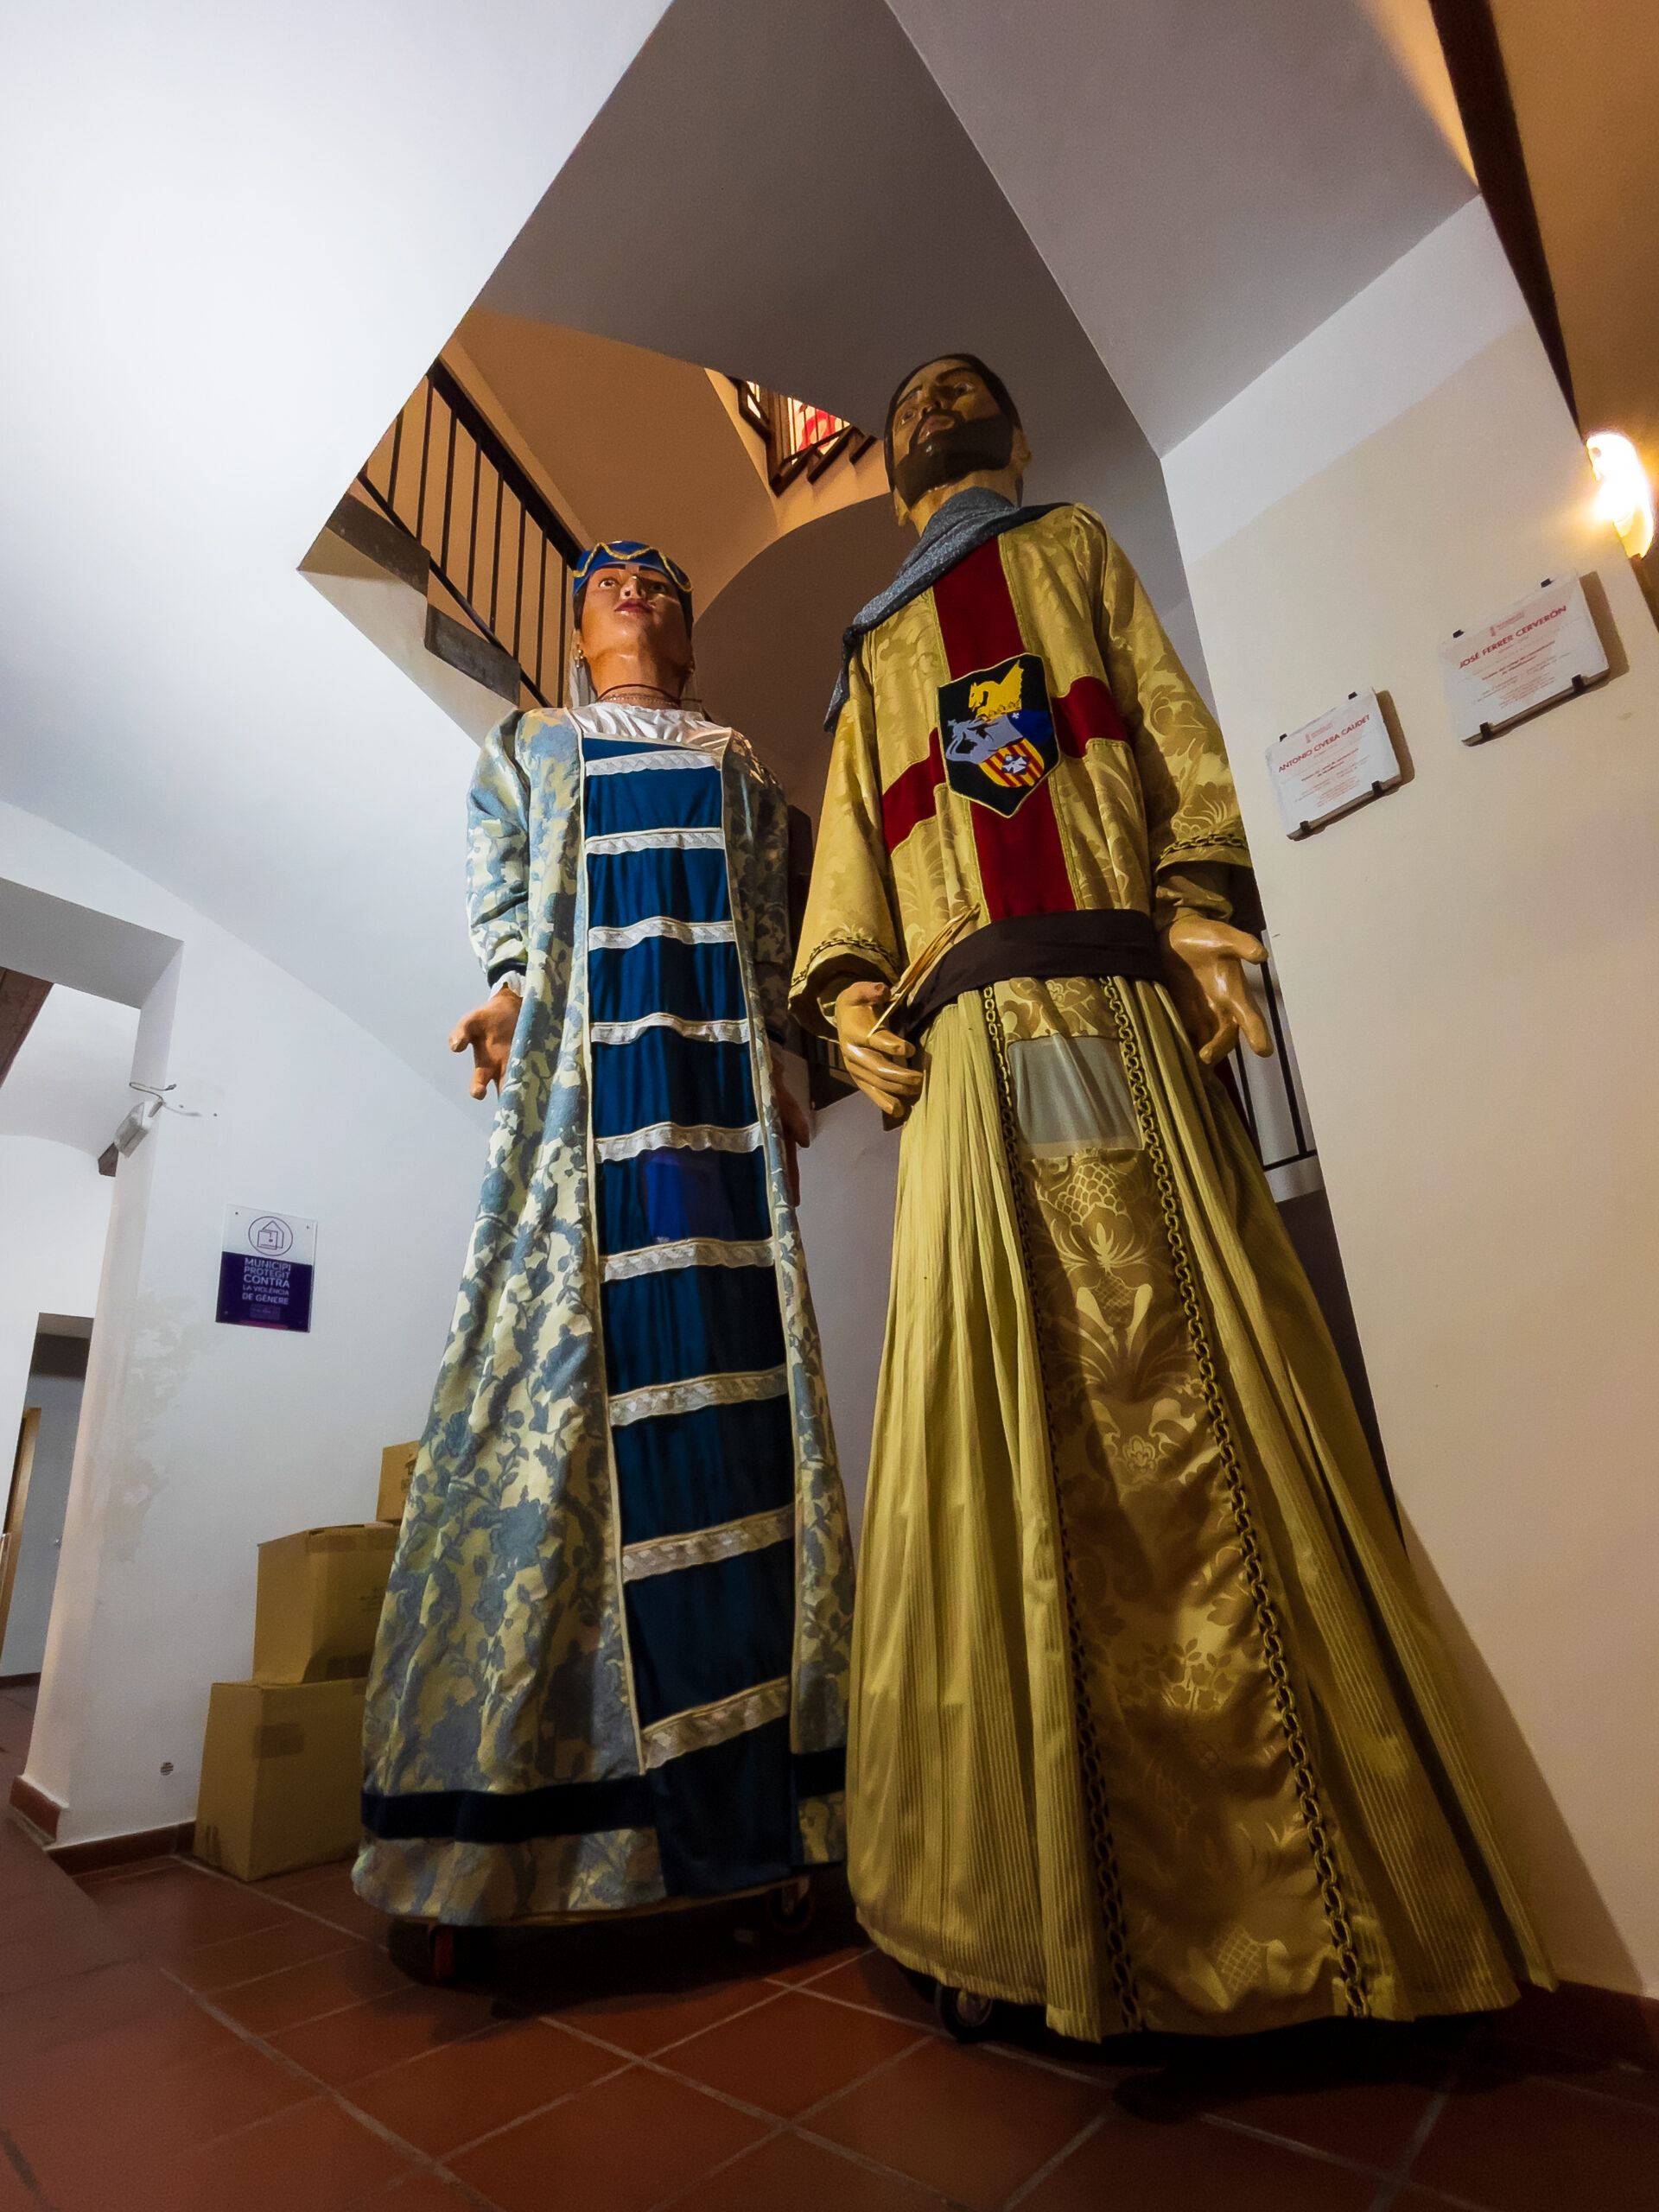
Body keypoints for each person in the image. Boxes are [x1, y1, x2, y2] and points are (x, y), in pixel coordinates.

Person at [790, 357, 1551, 2040]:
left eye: (965, 390)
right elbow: (850, 847)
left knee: (1186, 1373)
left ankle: (1315, 1911)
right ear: (886, 469)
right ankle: (1003, 1901)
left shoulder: (1075, 551)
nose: (936, 405)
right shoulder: (868, 654)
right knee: (984, 1411)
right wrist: (844, 989)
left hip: (1118, 1006)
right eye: (913, 401)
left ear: (1015, 436)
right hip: (965, 1056)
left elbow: (1167, 734)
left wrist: (1200, 892)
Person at [358, 541, 852, 1929]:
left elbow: (762, 924)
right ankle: (542, 1819)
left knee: (733, 1386)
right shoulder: (529, 746)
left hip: (712, 1123)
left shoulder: (737, 762)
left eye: (661, 585)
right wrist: (510, 989)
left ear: (687, 638)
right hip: (585, 1112)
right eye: (607, 583)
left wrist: (784, 1062)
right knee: (572, 1380)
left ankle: (775, 1800)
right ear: (577, 632)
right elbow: (511, 895)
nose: (636, 592)